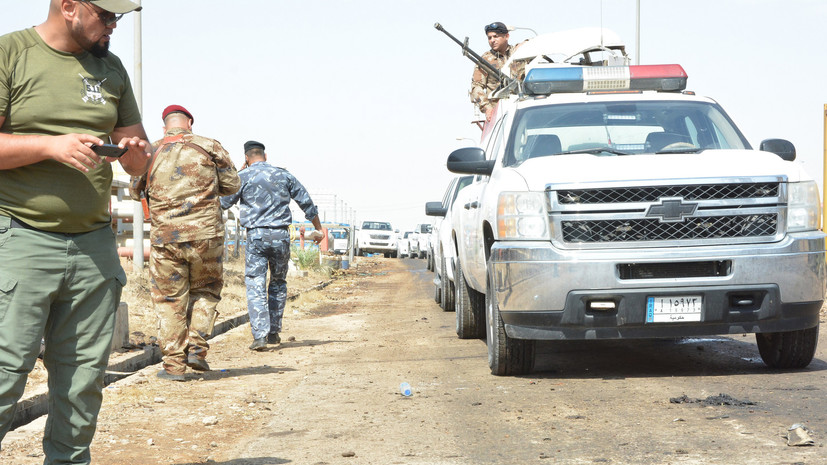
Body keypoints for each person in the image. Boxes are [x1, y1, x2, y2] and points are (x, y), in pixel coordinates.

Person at [0, 0, 151, 462]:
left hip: (93, 246)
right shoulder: (12, 54)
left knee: (83, 382)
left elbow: (138, 160)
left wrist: (135, 151)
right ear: (68, 7)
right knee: (5, 375)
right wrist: (49, 145)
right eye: (106, 16)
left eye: (119, 19)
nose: (113, 26)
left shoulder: (112, 69)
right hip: (20, 238)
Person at [130, 105, 240, 381]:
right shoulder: (209, 146)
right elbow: (232, 185)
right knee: (206, 290)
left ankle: (174, 366)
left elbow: (134, 190)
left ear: (164, 126)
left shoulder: (151, 152)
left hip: (166, 238)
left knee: (169, 301)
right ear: (189, 123)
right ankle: (197, 351)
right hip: (206, 235)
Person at [221, 141, 323, 351]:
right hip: (280, 236)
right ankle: (274, 332)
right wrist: (318, 229)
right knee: (278, 282)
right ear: (265, 157)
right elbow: (306, 201)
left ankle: (260, 336)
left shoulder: (243, 177)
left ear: (247, 158)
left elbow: (223, 202)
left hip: (256, 236)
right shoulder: (283, 175)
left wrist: (238, 174)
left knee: (255, 283)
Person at [470, 21, 526, 122]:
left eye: (496, 36)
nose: (492, 40)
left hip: (522, 108)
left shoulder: (519, 54)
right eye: (489, 38)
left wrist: (527, 43)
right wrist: (487, 108)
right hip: (499, 113)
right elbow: (476, 87)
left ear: (507, 36)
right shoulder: (485, 60)